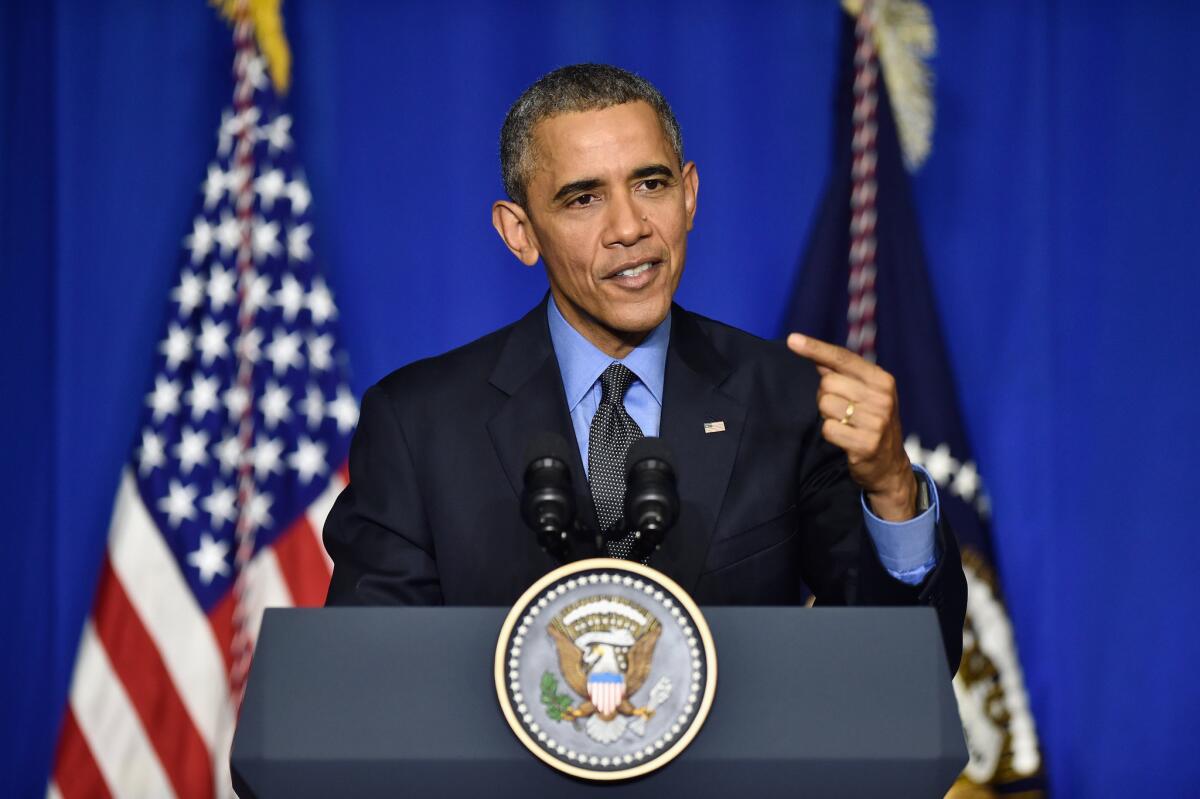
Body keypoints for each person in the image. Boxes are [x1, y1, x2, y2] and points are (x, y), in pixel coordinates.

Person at [323, 64, 966, 669]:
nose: (629, 227)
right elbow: (369, 684)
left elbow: (906, 675)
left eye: (650, 184)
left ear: (689, 196)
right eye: (583, 199)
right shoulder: (419, 423)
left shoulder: (790, 402)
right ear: (520, 233)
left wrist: (890, 490)